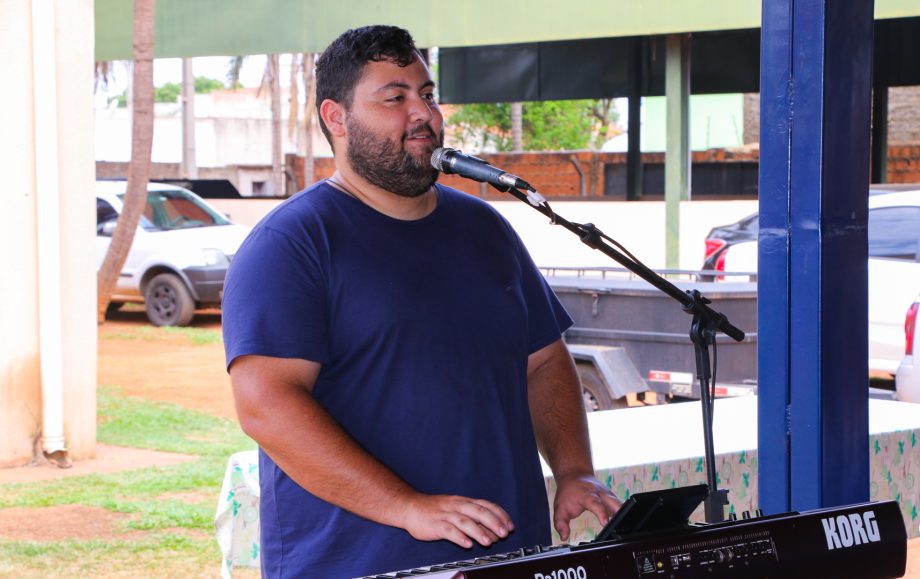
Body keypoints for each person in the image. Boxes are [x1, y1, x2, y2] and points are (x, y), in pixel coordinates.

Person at [222, 24, 621, 578]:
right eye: (395, 97)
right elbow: (266, 405)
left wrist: (575, 469)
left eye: (427, 95)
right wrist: (404, 506)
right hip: (360, 564)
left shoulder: (485, 230)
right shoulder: (292, 245)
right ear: (336, 118)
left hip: (510, 556)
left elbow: (544, 361)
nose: (424, 114)